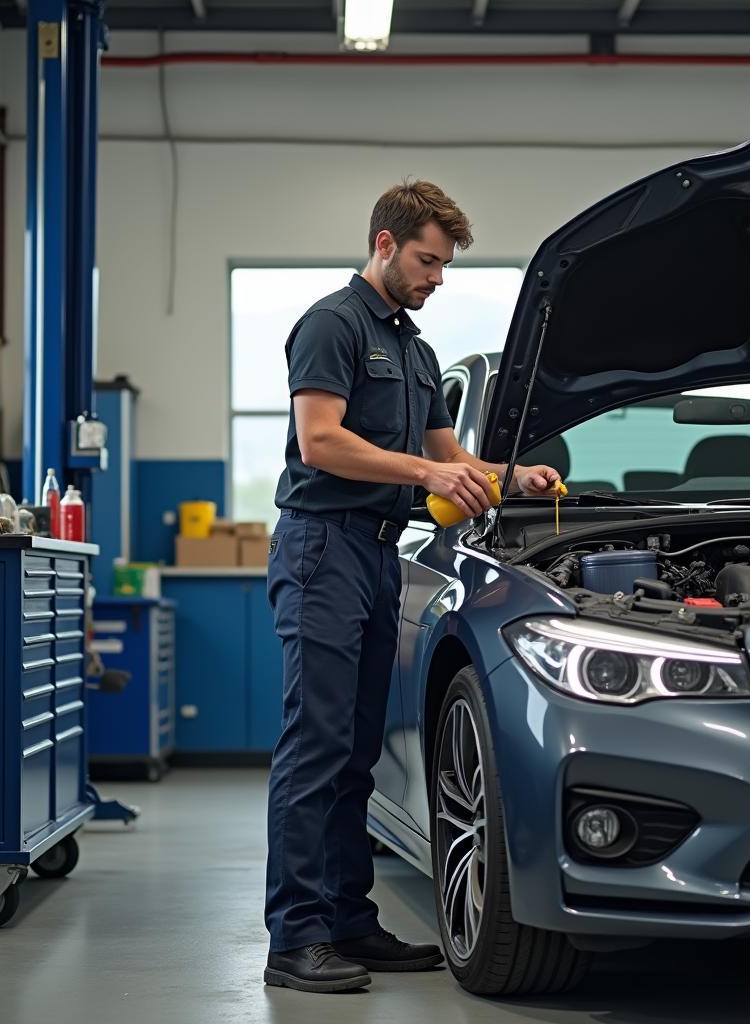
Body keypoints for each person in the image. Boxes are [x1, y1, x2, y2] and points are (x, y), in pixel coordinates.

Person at [263, 180, 562, 994]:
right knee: (316, 746)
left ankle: (350, 920)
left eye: (445, 264)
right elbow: (320, 442)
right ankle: (294, 938)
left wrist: (514, 477)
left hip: (378, 555)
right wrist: (430, 469)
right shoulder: (333, 325)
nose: (438, 277)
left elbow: (450, 459)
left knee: (358, 751)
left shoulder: (417, 350)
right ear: (387, 245)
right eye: (429, 260)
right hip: (321, 551)